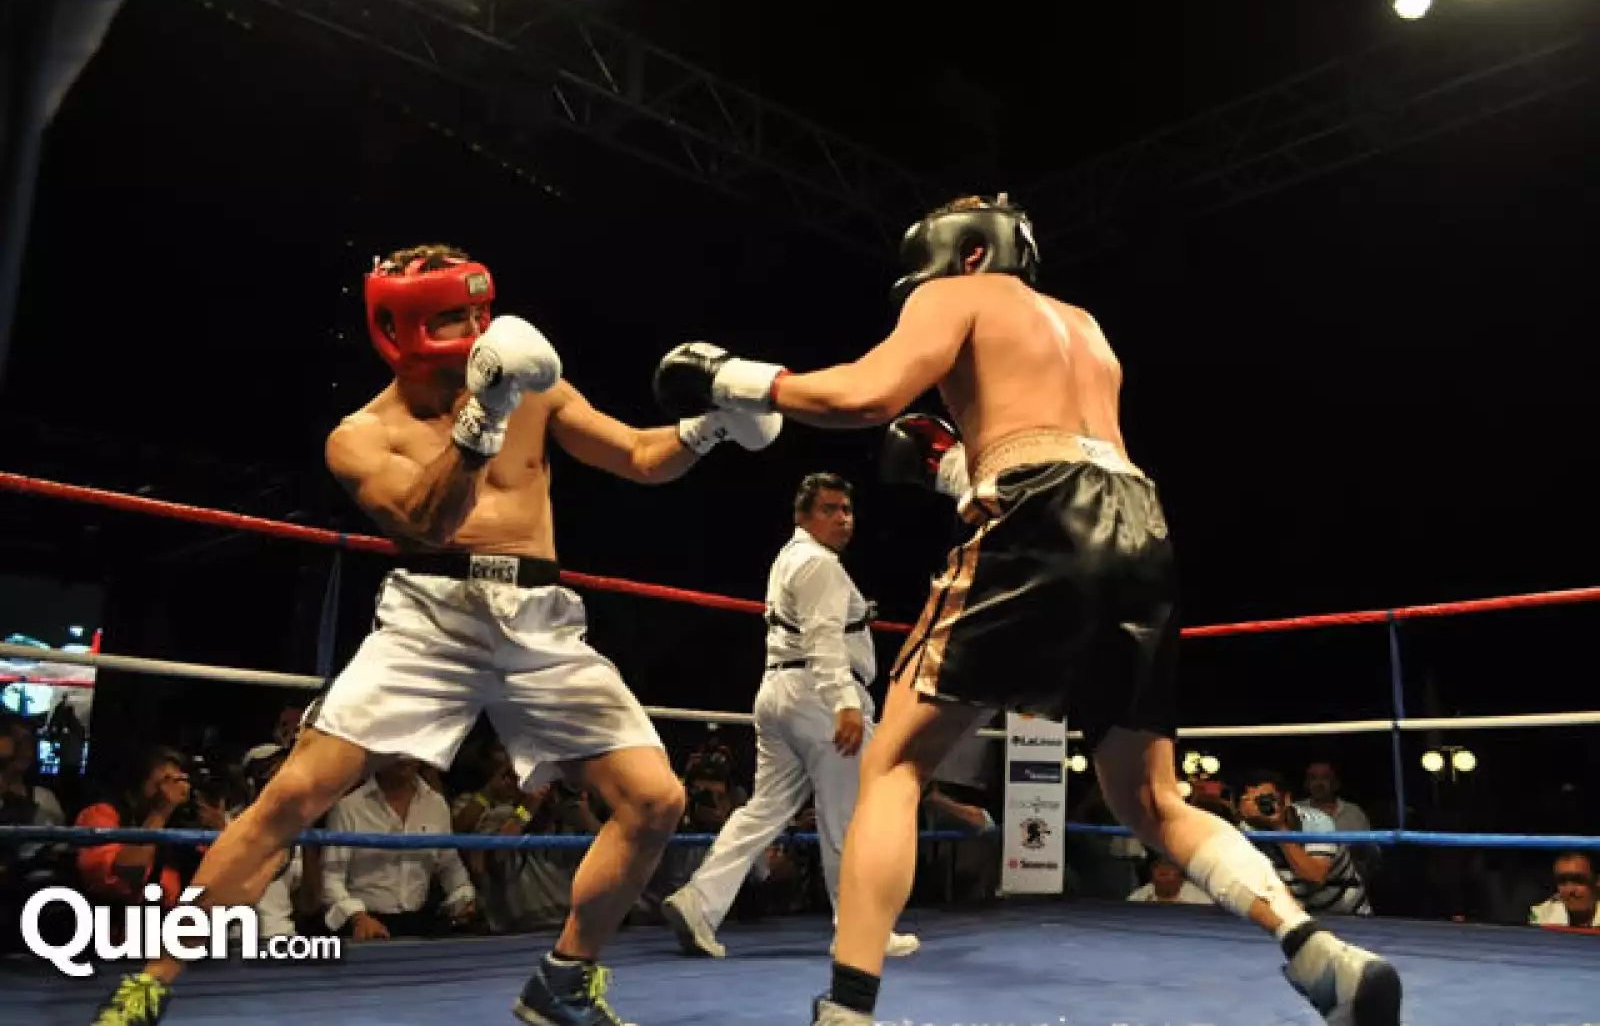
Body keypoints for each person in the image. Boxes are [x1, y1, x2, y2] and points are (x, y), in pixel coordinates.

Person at [651, 195, 1404, 1026]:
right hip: (1139, 518)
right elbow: (1055, 446)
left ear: (969, 256)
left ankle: (847, 1011)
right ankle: (1316, 949)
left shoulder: (963, 293)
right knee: (1151, 800)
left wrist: (734, 375)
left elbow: (868, 395)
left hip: (1037, 500)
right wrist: (950, 466)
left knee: (894, 766)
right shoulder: (1085, 326)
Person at [89, 243, 784, 1026]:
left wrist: (711, 425)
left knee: (656, 798)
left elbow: (636, 455)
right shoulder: (361, 435)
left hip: (540, 623)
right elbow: (426, 521)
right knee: (293, 794)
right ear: (405, 328)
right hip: (431, 618)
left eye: (482, 311)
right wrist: (482, 417)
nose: (481, 328)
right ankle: (148, 983)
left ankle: (564, 976)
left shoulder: (539, 393)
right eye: (459, 315)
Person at [661, 473, 918, 959]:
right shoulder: (820, 565)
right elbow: (823, 638)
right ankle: (860, 932)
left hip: (779, 690)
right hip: (820, 697)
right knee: (848, 817)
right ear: (803, 516)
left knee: (764, 809)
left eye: (846, 509)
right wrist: (843, 701)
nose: (843, 518)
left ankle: (699, 902)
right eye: (829, 509)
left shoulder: (789, 558)